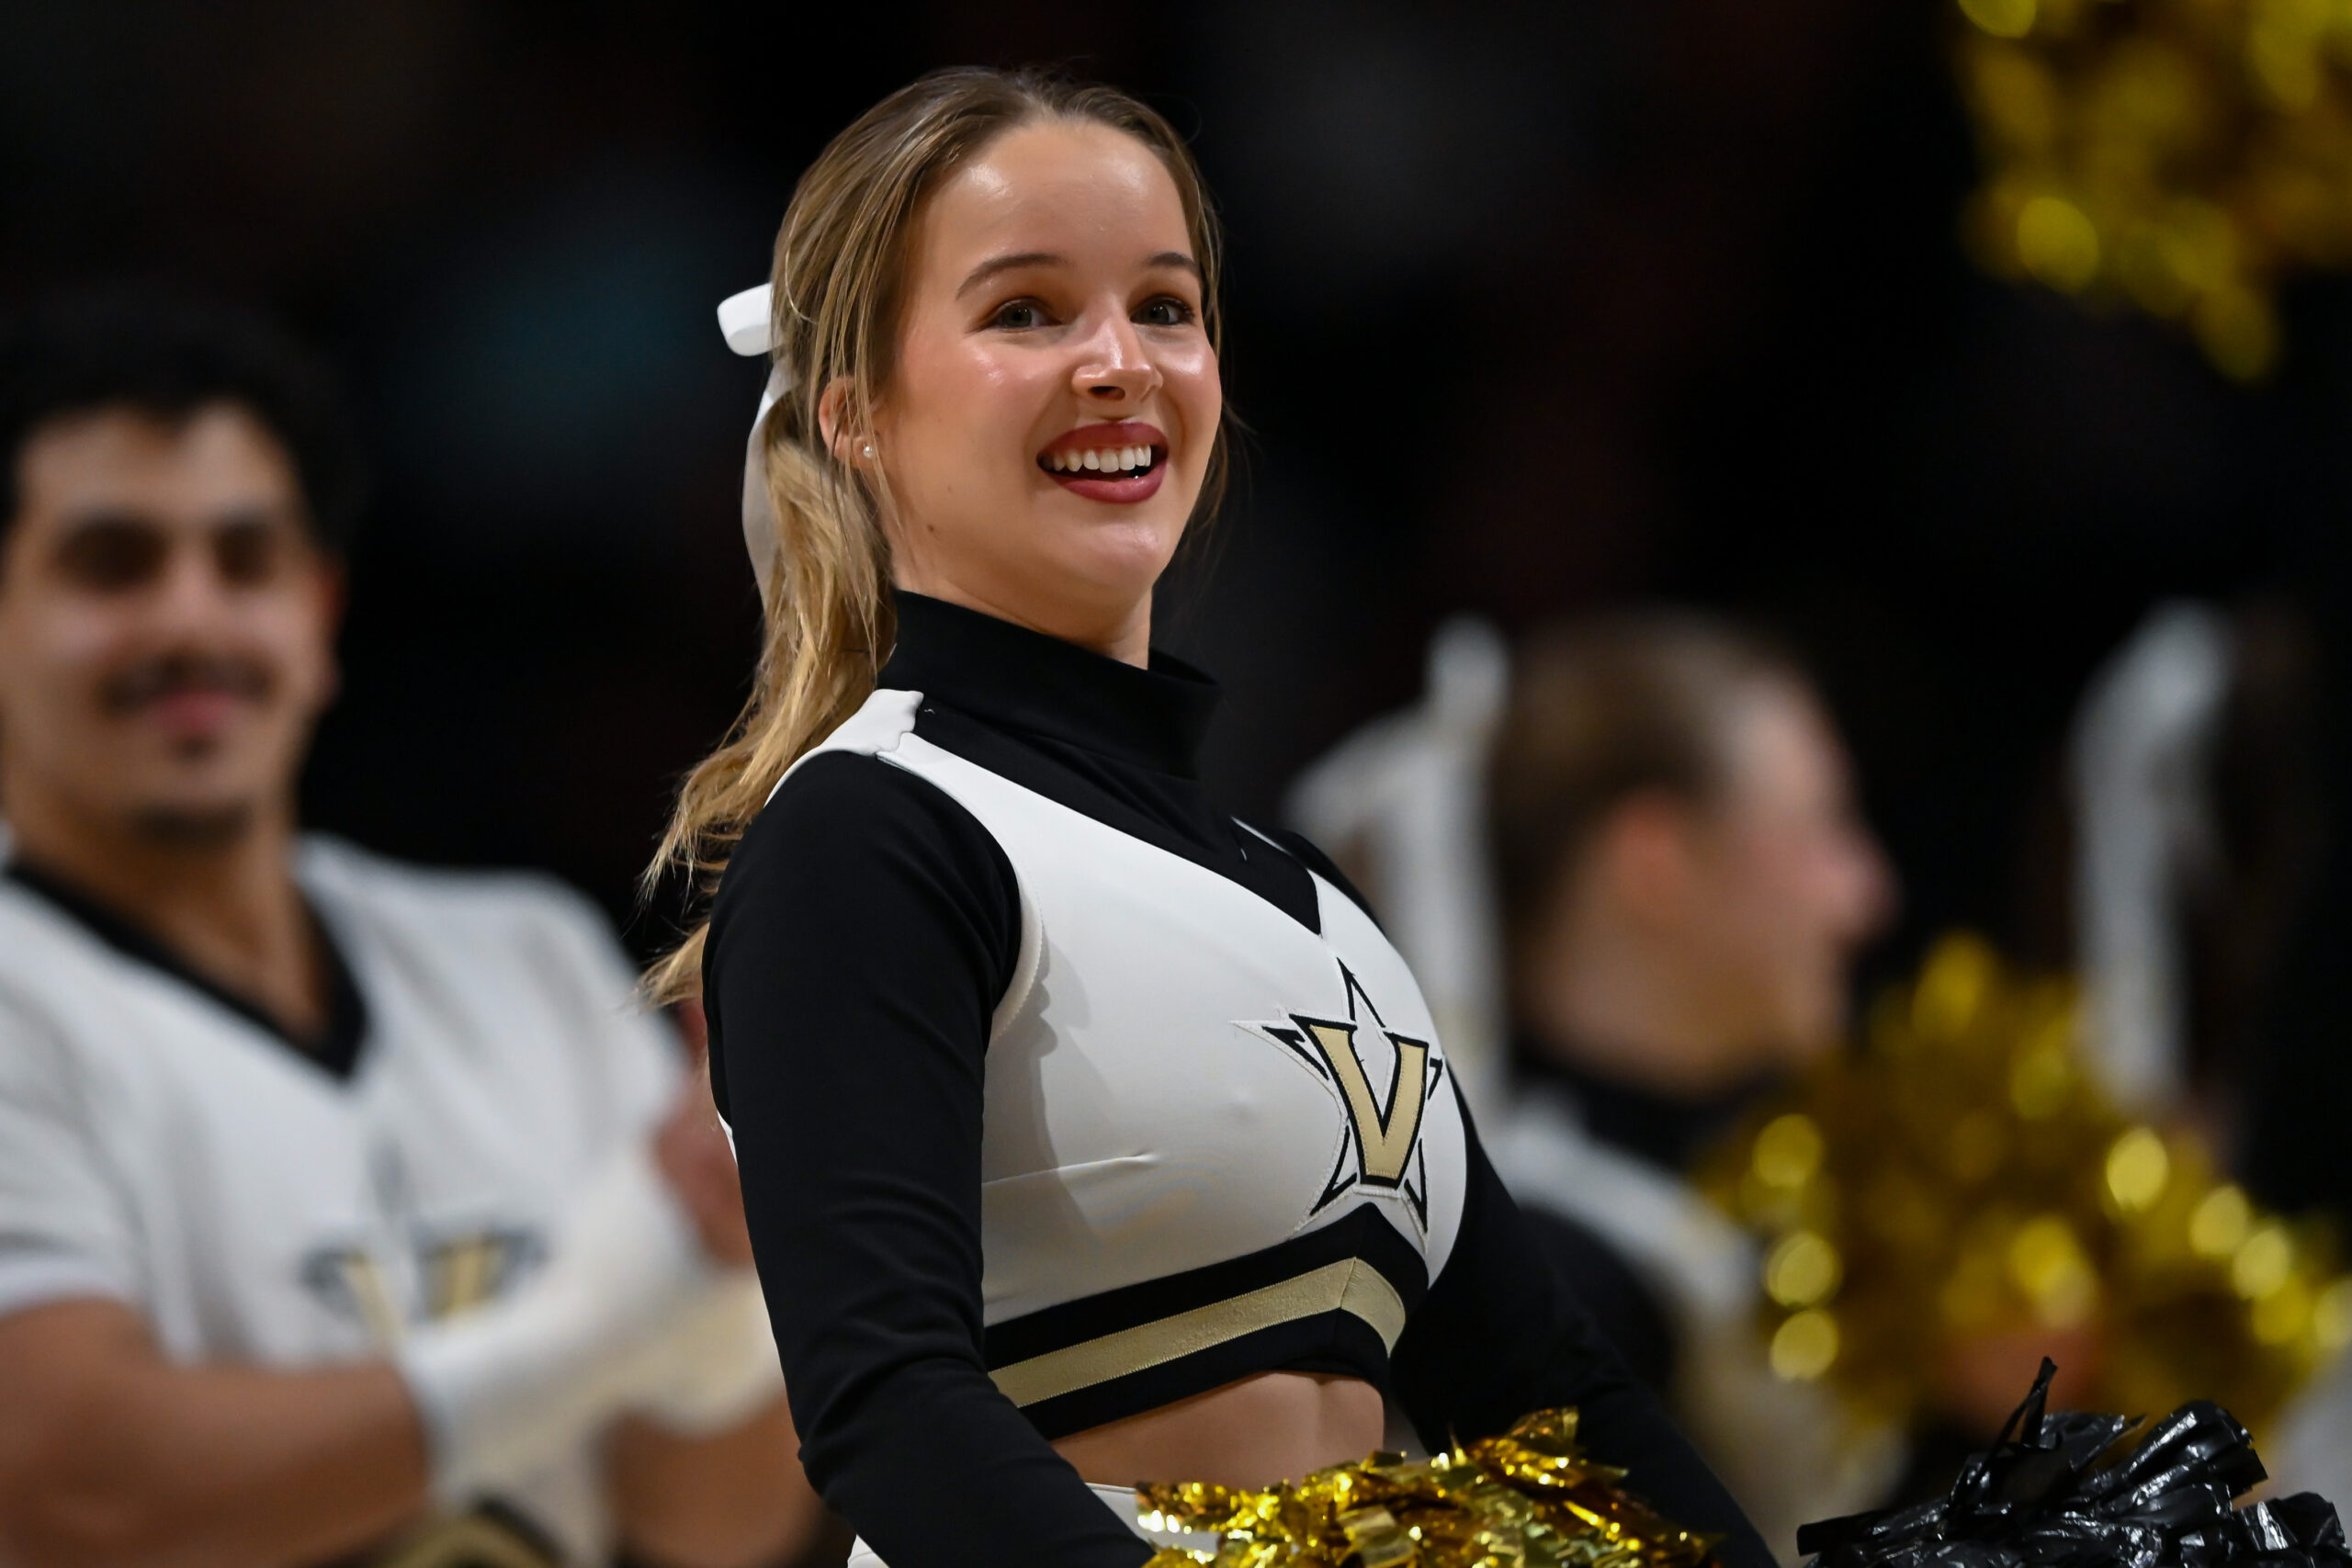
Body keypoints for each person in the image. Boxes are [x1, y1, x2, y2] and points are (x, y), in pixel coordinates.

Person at [650, 66, 1778, 1568]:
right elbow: (887, 1408)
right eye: (1026, 311)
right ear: (856, 415)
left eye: (1164, 307)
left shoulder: (1305, 903)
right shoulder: (872, 833)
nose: (1120, 361)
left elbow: (1553, 1404)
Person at [0, 291, 827, 1568]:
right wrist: (607, 1319)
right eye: (115, 562)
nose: (191, 619)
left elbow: (713, 1522)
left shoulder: (528, 957)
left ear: (321, 615)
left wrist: (725, 1273)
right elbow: (76, 1490)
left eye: (246, 559)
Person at [1291, 614, 1904, 1555]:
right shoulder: (1555, 1272)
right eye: (1822, 826)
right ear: (1652, 857)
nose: (1864, 894)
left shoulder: (1759, 1194)